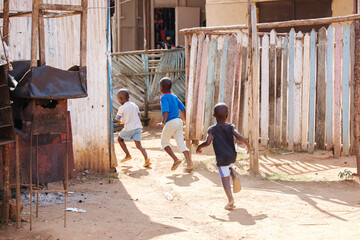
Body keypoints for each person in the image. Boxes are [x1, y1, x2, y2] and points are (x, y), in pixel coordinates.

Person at [196, 102, 250, 210]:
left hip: (221, 158)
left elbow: (207, 142)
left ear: (214, 115)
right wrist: (247, 144)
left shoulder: (212, 129)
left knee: (225, 180)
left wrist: (199, 147)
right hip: (232, 156)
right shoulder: (231, 127)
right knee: (229, 166)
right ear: (227, 115)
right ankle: (234, 176)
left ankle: (230, 200)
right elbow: (238, 136)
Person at [156, 77, 193, 172]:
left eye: (159, 86)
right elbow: (183, 109)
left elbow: (166, 111)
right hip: (178, 121)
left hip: (170, 122)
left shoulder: (163, 98)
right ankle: (189, 163)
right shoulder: (174, 96)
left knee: (164, 143)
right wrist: (184, 120)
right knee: (181, 144)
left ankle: (176, 159)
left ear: (162, 88)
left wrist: (163, 123)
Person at [115, 89, 151, 168]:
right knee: (139, 145)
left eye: (118, 99)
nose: (118, 101)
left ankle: (128, 155)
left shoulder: (122, 108)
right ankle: (146, 158)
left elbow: (117, 119)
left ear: (121, 99)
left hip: (128, 128)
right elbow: (138, 115)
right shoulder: (134, 105)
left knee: (120, 139)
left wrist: (121, 121)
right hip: (138, 128)